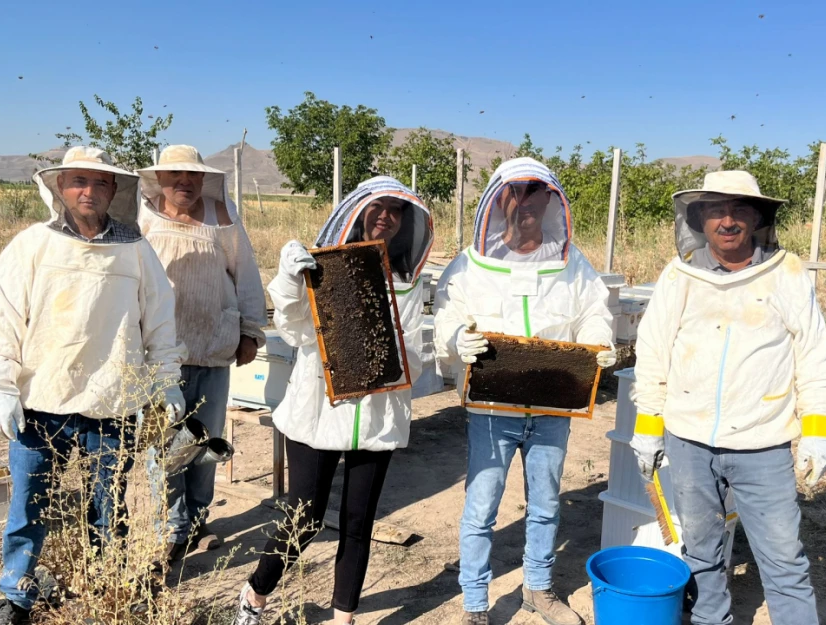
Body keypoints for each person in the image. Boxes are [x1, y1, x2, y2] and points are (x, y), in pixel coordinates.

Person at [0, 146, 186, 625]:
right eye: (77, 181)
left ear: (114, 190)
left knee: (107, 507)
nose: (88, 191)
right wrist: (1, 385)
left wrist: (166, 382)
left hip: (111, 401)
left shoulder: (136, 249)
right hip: (39, 401)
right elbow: (3, 319)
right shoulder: (32, 245)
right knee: (27, 508)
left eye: (98, 183)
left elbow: (159, 321)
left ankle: (106, 587)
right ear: (60, 188)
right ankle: (15, 598)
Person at [629, 170, 826, 625]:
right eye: (716, 210)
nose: (727, 220)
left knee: (784, 562)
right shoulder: (678, 277)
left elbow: (813, 354)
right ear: (699, 218)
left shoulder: (787, 273)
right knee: (702, 555)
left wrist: (817, 430)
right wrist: (647, 428)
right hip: (688, 441)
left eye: (740, 209)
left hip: (763, 446)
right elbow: (653, 354)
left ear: (758, 217)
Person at [231, 176, 433, 625]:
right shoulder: (325, 267)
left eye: (396, 211)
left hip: (378, 418)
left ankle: (345, 618)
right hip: (319, 412)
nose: (386, 217)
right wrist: (287, 280)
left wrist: (389, 355)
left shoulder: (407, 282)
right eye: (378, 207)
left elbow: (415, 357)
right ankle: (255, 594)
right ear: (358, 211)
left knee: (359, 524)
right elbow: (296, 329)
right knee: (304, 519)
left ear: (406, 223)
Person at [433, 157, 616, 625]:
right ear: (501, 203)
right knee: (482, 506)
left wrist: (600, 340)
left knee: (546, 503)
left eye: (536, 195)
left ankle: (538, 588)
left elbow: (594, 308)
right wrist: (456, 340)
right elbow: (447, 313)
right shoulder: (471, 264)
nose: (527, 204)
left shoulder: (570, 262)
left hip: (553, 405)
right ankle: (475, 604)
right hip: (494, 407)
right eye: (518, 195)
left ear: (550, 203)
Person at [137, 145, 267, 560]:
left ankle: (196, 521)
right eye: (175, 175)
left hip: (213, 346)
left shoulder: (222, 217)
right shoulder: (141, 218)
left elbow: (245, 276)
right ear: (159, 179)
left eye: (191, 175)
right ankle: (170, 527)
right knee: (166, 446)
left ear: (201, 178)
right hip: (158, 356)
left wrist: (250, 332)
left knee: (206, 444)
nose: (184, 183)